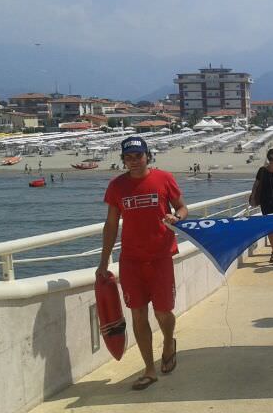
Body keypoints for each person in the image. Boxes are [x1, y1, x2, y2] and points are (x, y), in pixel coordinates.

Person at [96, 136, 187, 391]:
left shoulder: (164, 179)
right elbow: (111, 225)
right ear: (123, 160)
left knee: (162, 312)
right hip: (131, 261)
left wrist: (176, 216)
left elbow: (182, 207)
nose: (134, 161)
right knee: (137, 313)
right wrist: (103, 262)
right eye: (128, 157)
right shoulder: (117, 187)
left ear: (148, 155)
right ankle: (149, 369)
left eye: (138, 156)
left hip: (160, 257)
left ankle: (169, 341)